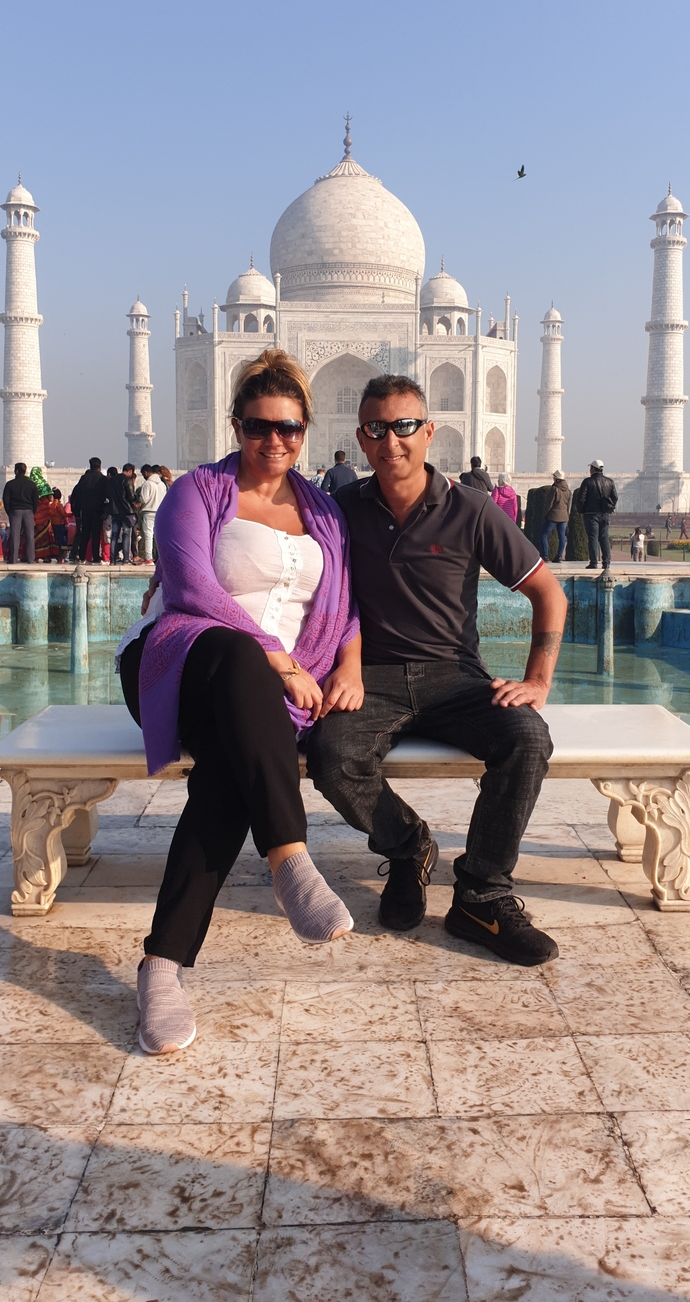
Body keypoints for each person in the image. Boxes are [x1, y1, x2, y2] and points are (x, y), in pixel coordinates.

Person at [117, 349, 363, 1055]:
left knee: (227, 772)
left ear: (306, 429)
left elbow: (345, 605)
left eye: (288, 428)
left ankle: (161, 966)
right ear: (236, 424)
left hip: (267, 695)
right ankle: (288, 854)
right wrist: (280, 658)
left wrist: (348, 666)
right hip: (179, 660)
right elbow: (192, 589)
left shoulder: (323, 511)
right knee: (235, 652)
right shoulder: (199, 490)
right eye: (260, 426)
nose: (274, 441)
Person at [305, 373, 567, 968]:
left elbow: (549, 594)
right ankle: (407, 847)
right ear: (361, 438)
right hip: (370, 676)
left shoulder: (470, 510)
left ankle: (481, 893)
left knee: (526, 738)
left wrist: (538, 680)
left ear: (428, 434)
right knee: (330, 755)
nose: (390, 441)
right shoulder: (341, 509)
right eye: (376, 429)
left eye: (403, 427)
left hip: (452, 674)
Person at [577, 460, 617, 570]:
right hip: (605, 514)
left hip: (591, 514)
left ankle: (594, 562)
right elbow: (615, 497)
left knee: (593, 538)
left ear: (593, 469)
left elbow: (581, 498)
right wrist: (610, 508)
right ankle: (606, 562)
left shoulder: (587, 482)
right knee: (604, 537)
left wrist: (581, 511)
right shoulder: (609, 481)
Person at [72, 458, 108, 564]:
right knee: (96, 535)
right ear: (100, 466)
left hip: (86, 510)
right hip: (98, 510)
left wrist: (77, 510)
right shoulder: (103, 479)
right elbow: (107, 496)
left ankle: (82, 557)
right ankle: (95, 557)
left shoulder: (84, 478)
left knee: (85, 534)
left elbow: (77, 495)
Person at [3, 463, 39, 563]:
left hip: (15, 511)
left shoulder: (10, 484)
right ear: (25, 471)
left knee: (15, 535)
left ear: (16, 471)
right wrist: (33, 511)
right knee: (30, 535)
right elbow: (36, 500)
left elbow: (6, 500)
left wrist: (9, 511)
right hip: (28, 511)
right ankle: (31, 559)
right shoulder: (31, 484)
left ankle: (13, 559)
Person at [107, 463, 137, 563]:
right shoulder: (127, 480)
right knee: (126, 534)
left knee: (114, 535)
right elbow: (131, 497)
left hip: (115, 512)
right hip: (126, 512)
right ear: (129, 471)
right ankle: (126, 559)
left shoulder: (112, 480)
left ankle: (112, 560)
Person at [137, 464, 166, 563]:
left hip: (149, 512)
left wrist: (138, 500)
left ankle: (148, 558)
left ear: (145, 472)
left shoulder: (147, 484)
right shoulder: (162, 484)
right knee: (158, 536)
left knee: (148, 536)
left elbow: (144, 499)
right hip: (160, 512)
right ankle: (160, 558)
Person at [540, 471, 571, 562]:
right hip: (564, 517)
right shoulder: (568, 490)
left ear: (557, 479)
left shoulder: (555, 489)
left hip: (553, 516)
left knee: (543, 535)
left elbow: (549, 504)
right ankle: (559, 557)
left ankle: (545, 556)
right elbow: (568, 505)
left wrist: (544, 515)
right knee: (562, 537)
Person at [30, 467, 58, 562]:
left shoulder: (30, 484)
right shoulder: (44, 484)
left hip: (33, 514)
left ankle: (33, 556)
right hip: (45, 514)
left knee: (33, 535)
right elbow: (51, 499)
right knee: (45, 535)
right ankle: (46, 556)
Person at [49, 488, 68, 561]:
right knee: (60, 541)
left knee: (55, 541)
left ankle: (55, 556)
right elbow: (63, 514)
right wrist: (71, 514)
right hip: (59, 524)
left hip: (53, 524)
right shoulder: (58, 504)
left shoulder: (51, 504)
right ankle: (60, 557)